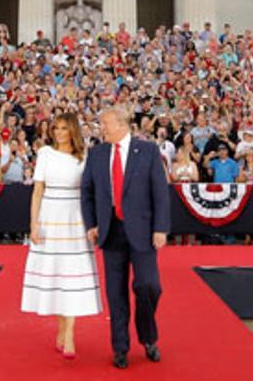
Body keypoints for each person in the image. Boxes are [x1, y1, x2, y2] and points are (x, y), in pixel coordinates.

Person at [81, 107, 170, 369]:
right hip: (110, 232)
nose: (101, 128)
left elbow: (160, 193)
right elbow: (87, 192)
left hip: (143, 232)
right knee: (115, 294)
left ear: (120, 124)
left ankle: (148, 336)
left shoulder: (149, 151)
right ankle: (120, 347)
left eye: (105, 124)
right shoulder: (96, 154)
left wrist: (161, 228)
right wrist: (92, 224)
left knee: (149, 286)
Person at [21, 113, 102, 359]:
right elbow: (37, 192)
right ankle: (61, 328)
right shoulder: (45, 153)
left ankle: (69, 335)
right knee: (55, 276)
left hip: (75, 221)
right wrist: (34, 224)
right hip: (49, 219)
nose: (58, 133)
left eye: (64, 129)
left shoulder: (85, 157)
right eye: (55, 128)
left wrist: (93, 224)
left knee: (72, 279)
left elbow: (91, 194)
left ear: (73, 131)